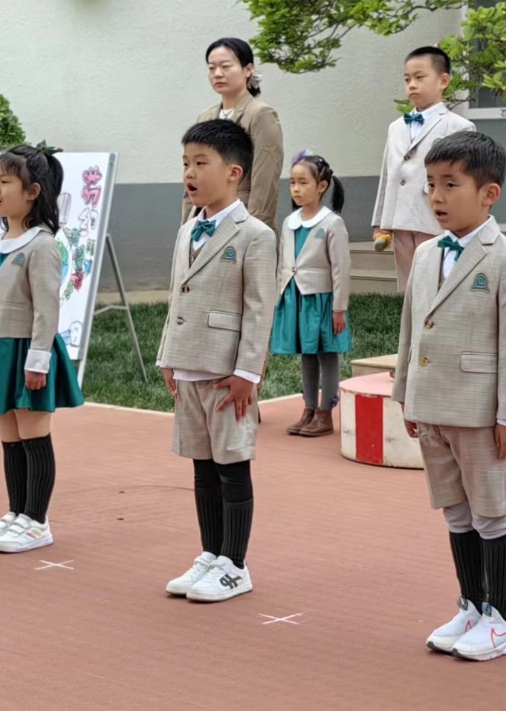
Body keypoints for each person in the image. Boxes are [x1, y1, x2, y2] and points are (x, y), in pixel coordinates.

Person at [393, 131, 506, 661]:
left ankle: (505, 618)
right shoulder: (426, 254)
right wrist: (405, 393)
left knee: (492, 513)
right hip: (432, 405)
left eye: (450, 185)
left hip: (479, 412)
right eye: (431, 184)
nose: (436, 196)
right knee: (456, 512)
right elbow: (411, 329)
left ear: (488, 194)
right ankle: (473, 605)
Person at [159, 119, 277, 602]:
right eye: (185, 163)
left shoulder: (255, 235)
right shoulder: (187, 228)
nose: (189, 173)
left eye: (200, 163)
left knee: (232, 465)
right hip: (188, 367)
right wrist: (168, 355)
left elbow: (259, 308)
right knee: (202, 468)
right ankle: (210, 554)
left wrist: (248, 372)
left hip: (228, 374)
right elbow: (176, 295)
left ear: (233, 172)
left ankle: (235, 564)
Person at [0, 144, 84, 553]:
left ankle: (36, 521)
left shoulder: (41, 245)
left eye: (5, 182)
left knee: (33, 436)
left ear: (33, 192)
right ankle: (17, 513)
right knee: (10, 437)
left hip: (27, 352)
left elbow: (47, 309)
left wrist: (38, 360)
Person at [372, 46, 475, 290]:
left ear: (443, 81)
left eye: (420, 77)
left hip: (435, 218)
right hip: (400, 219)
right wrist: (381, 221)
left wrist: (462, 223)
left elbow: (463, 181)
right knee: (408, 287)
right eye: (407, 79)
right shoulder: (396, 127)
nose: (412, 85)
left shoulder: (459, 127)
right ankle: (410, 316)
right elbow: (388, 175)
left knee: (436, 284)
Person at [271, 151, 351, 437]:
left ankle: (325, 412)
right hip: (297, 298)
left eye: (303, 182)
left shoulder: (332, 223)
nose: (296, 189)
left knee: (326, 354)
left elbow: (341, 268)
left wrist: (339, 308)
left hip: (322, 300)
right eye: (292, 183)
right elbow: (284, 262)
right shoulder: (289, 222)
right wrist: (279, 297)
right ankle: (309, 408)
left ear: (322, 186)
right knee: (307, 355)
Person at [182, 38, 284, 233]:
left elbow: (265, 182)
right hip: (202, 220)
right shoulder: (205, 116)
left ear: (248, 69)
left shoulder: (261, 114)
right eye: (212, 68)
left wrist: (253, 232)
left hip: (241, 219)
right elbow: (192, 172)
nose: (217, 73)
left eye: (225, 66)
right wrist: (185, 226)